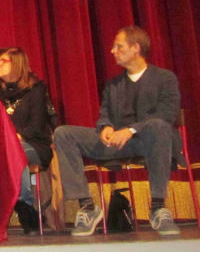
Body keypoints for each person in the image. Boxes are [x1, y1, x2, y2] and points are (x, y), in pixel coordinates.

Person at [54, 25, 183, 236]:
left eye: (118, 46)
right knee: (63, 133)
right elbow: (105, 113)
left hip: (150, 142)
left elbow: (167, 114)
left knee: (160, 127)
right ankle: (87, 207)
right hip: (115, 143)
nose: (113, 51)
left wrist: (131, 129)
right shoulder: (113, 85)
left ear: (135, 48)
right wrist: (106, 127)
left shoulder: (165, 78)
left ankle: (158, 206)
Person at [0, 47, 53, 235]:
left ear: (17, 64)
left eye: (3, 61)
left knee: (15, 151)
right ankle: (25, 208)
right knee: (6, 154)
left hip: (35, 146)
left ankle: (23, 204)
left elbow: (38, 127)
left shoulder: (36, 90)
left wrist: (13, 138)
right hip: (4, 150)